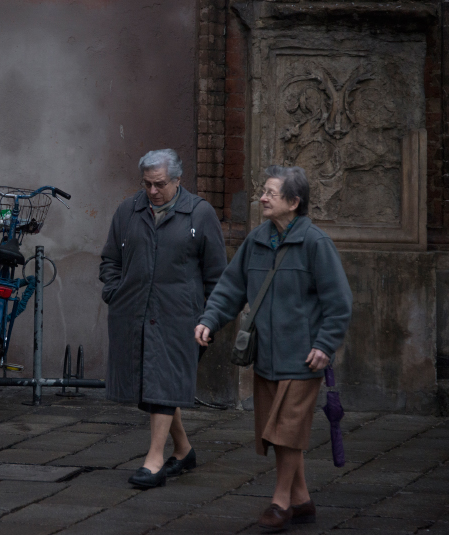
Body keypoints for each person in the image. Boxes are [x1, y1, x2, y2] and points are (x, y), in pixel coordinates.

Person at [195, 165, 352, 531]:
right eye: (262, 192)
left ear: (294, 202)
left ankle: (280, 503)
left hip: (304, 359)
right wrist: (209, 320)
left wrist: (325, 344)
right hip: (265, 356)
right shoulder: (256, 241)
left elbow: (339, 302)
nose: (262, 198)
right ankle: (302, 499)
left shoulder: (315, 244)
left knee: (287, 430)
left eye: (270, 193)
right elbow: (231, 288)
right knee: (278, 432)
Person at [99, 149, 227, 489]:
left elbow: (218, 274)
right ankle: (183, 451)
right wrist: (114, 291)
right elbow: (110, 259)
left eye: (160, 184)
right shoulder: (128, 211)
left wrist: (211, 318)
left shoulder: (200, 213)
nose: (153, 191)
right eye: (147, 184)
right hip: (134, 315)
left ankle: (154, 461)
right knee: (154, 385)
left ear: (178, 180)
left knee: (163, 384)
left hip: (182, 319)